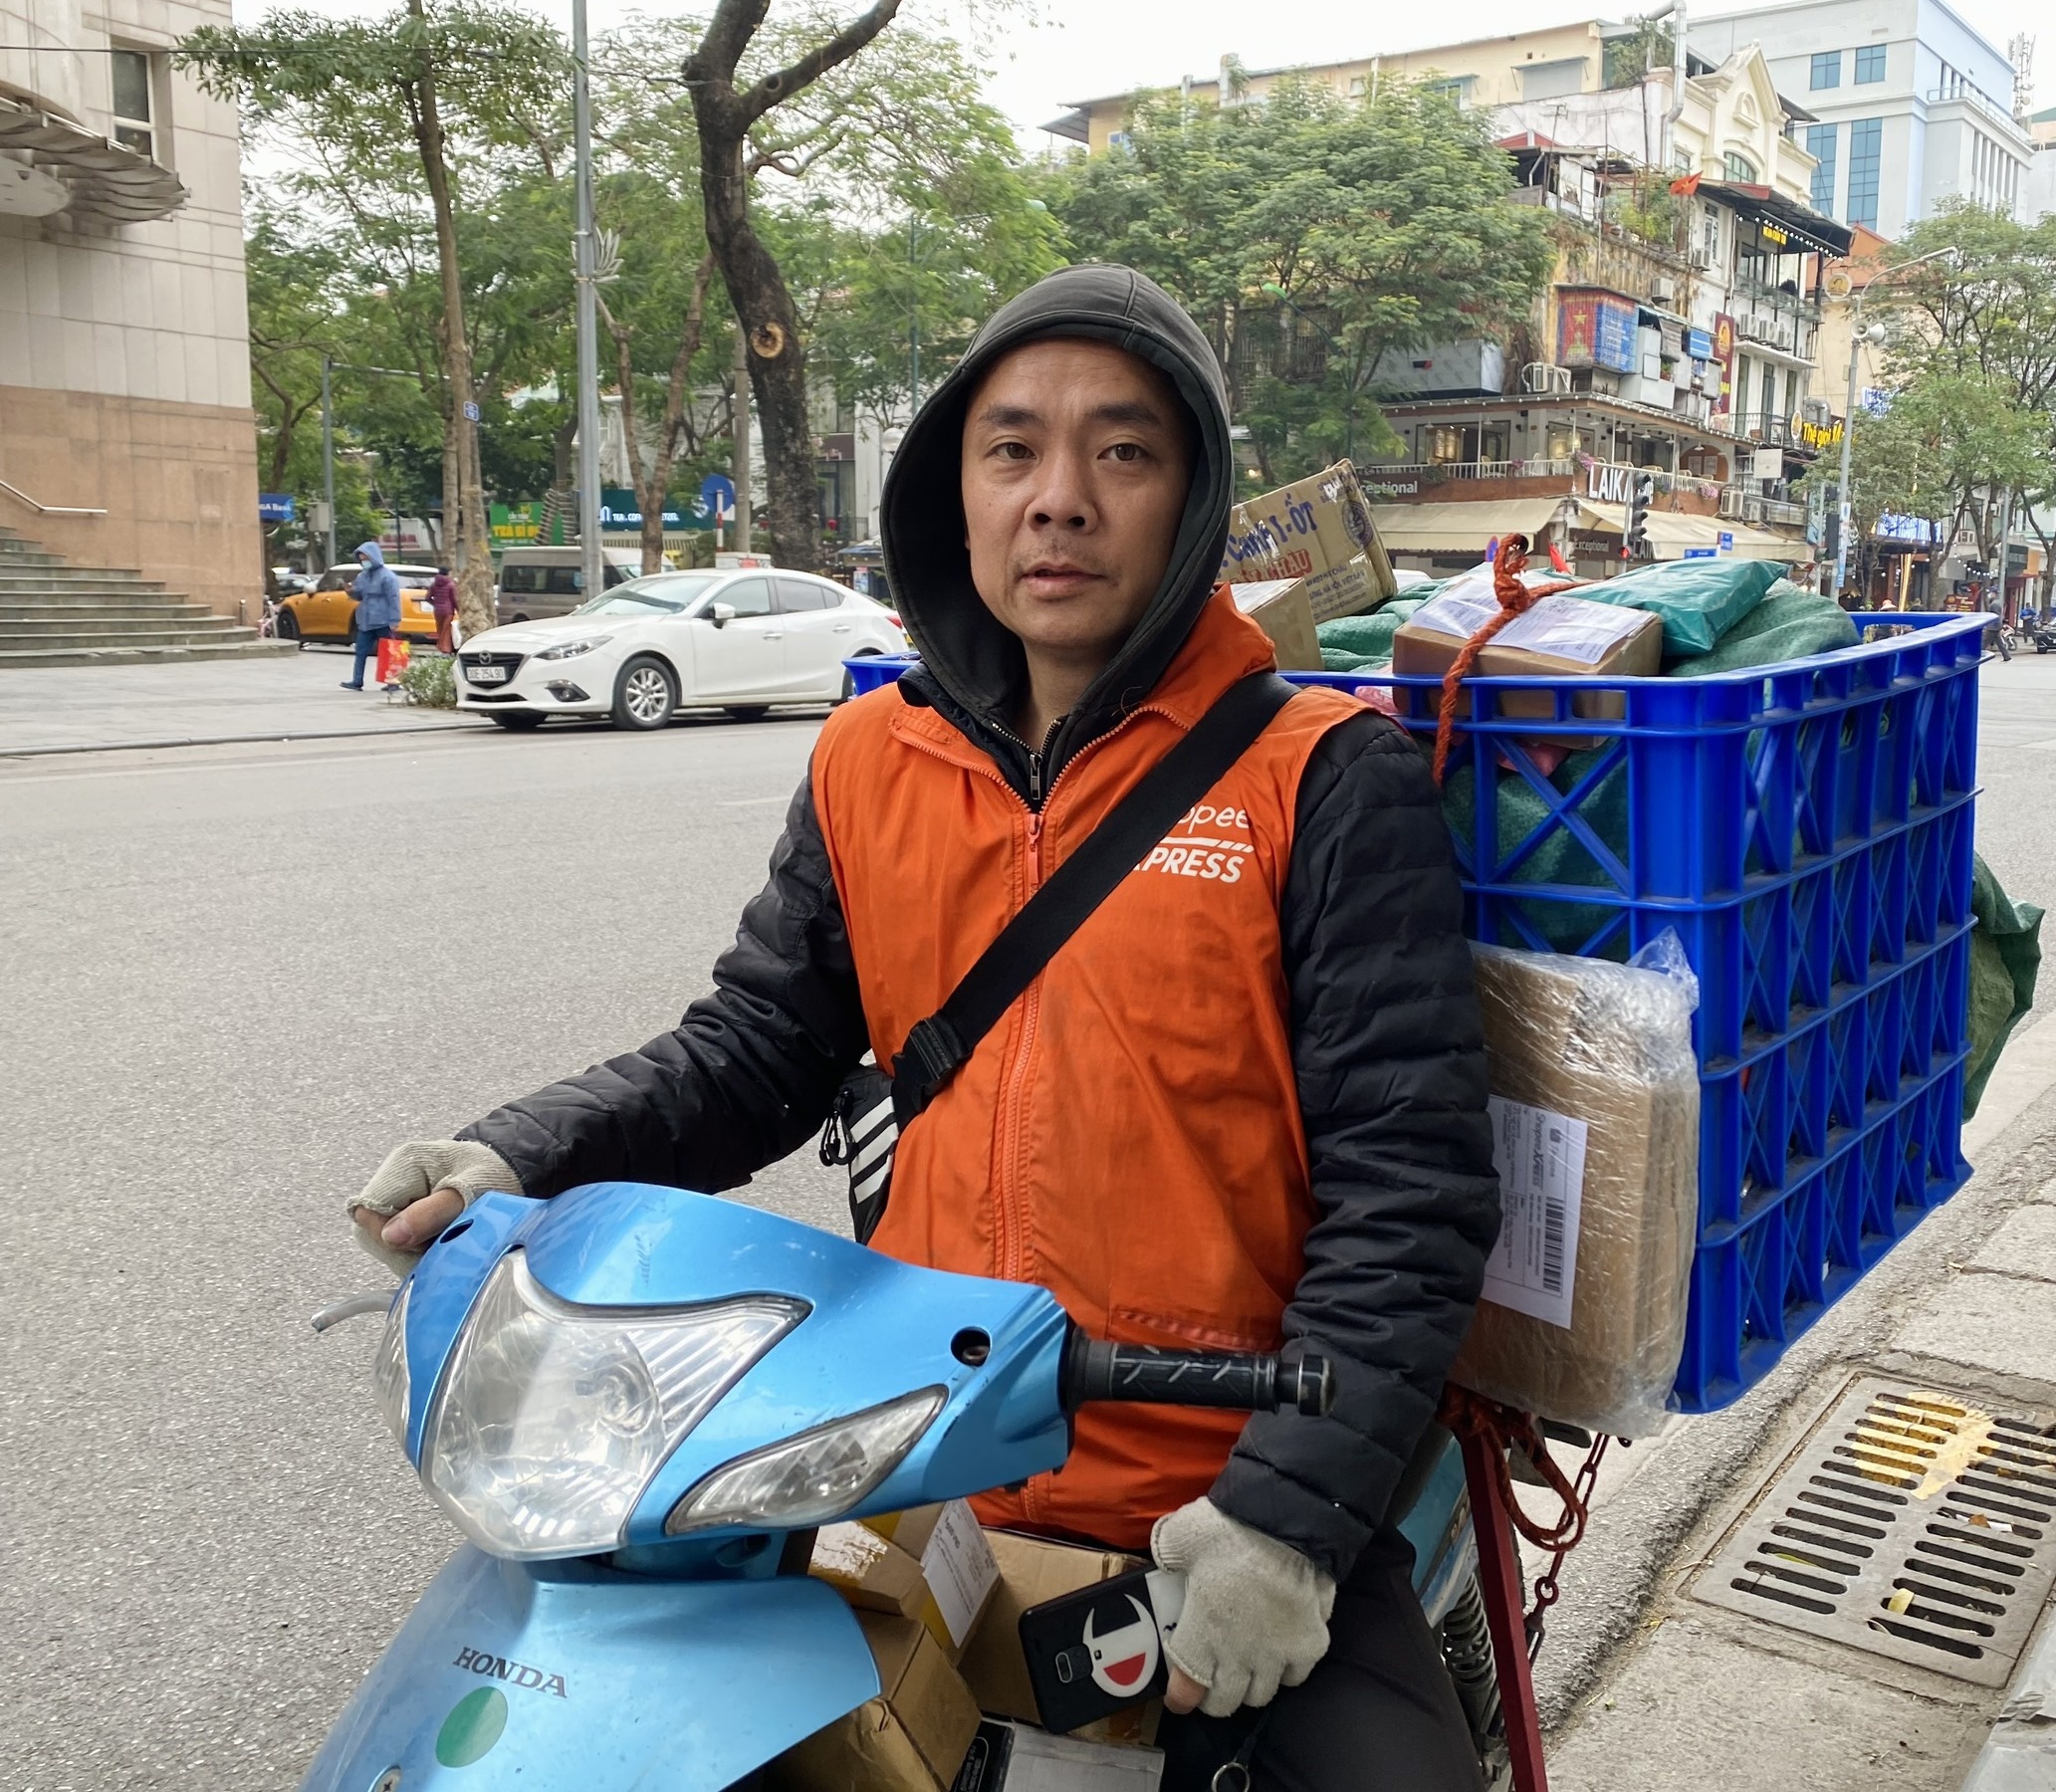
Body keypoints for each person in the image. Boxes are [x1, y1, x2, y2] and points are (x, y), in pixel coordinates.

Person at [344, 266, 1499, 1792]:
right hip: (919, 1468)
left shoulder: (1322, 777)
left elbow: (1408, 1200)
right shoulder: (866, 761)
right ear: (953, 491)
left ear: (1193, 495)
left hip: (1218, 1482)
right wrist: (516, 1152)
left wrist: (1288, 1521)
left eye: (1125, 451)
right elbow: (754, 1046)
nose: (1061, 500)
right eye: (1012, 449)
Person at [343, 541, 403, 690]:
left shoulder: (388, 577)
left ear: (374, 558)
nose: (364, 563)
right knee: (360, 651)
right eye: (361, 560)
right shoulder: (362, 576)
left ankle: (393, 682)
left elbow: (394, 598)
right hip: (365, 620)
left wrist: (395, 619)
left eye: (366, 559)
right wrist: (350, 592)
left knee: (390, 651)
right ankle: (357, 681)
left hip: (383, 619)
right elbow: (360, 596)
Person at [427, 565, 457, 653]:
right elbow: (453, 599)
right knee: (446, 630)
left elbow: (427, 597)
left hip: (437, 611)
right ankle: (445, 648)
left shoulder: (434, 584)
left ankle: (440, 646)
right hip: (448, 611)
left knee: (440, 629)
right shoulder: (451, 584)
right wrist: (457, 609)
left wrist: (435, 604)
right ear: (447, 574)